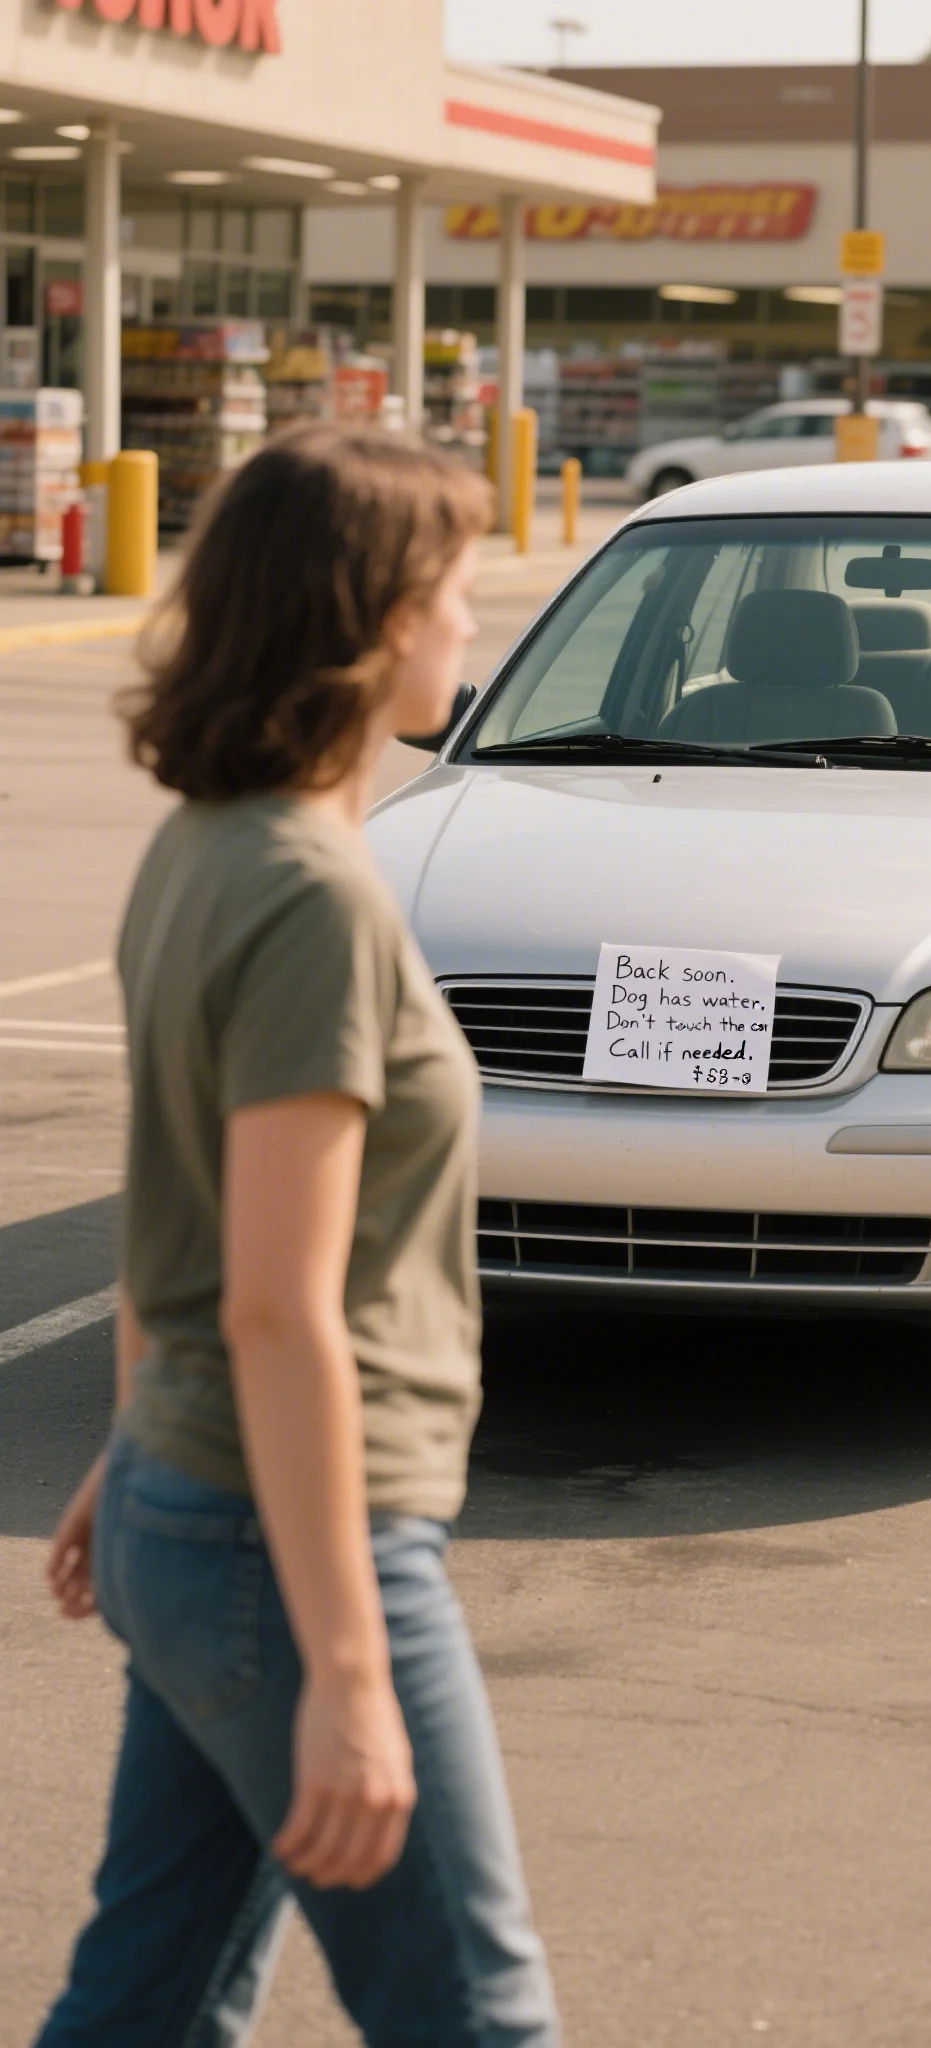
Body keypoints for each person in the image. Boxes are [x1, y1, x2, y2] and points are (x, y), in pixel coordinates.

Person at [35, 424, 559, 2047]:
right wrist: (346, 1669)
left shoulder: (202, 852)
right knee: (478, 2019)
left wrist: (133, 1452)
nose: (475, 623)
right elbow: (278, 1304)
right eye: (459, 590)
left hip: (193, 1508)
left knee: (152, 2005)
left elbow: (169, 1217)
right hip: (286, 1547)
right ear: (378, 617)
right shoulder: (313, 901)